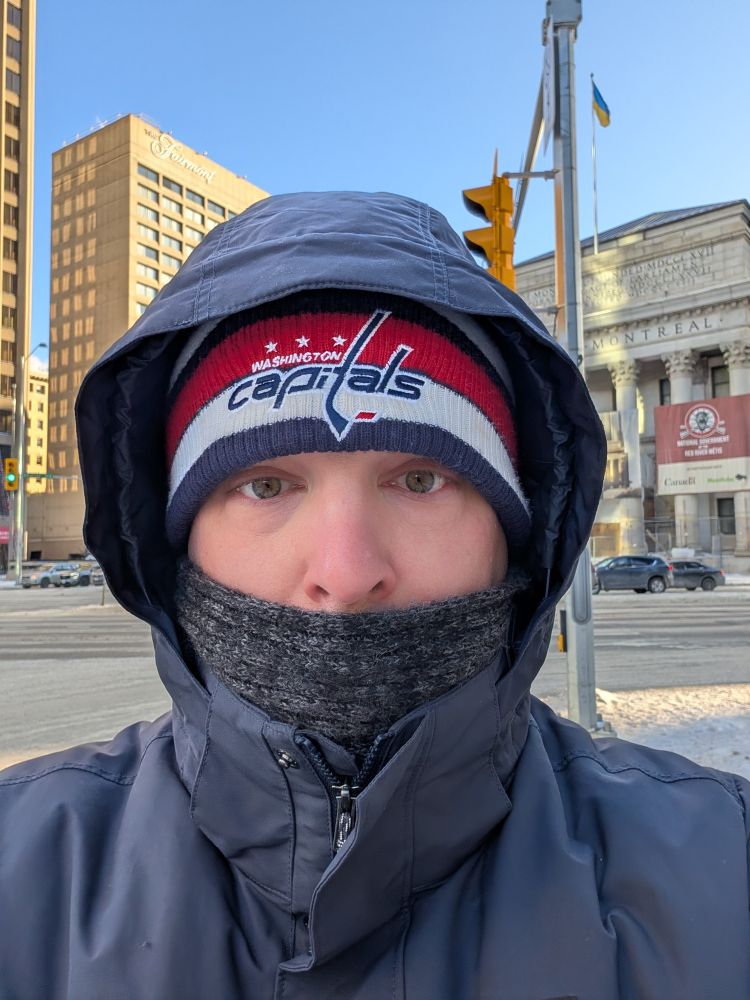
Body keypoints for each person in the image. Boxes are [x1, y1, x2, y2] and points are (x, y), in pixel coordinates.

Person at [0, 191, 747, 999]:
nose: (346, 571)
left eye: (421, 479)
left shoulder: (725, 865)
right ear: (177, 544)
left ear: (516, 533)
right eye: (265, 484)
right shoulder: (21, 864)